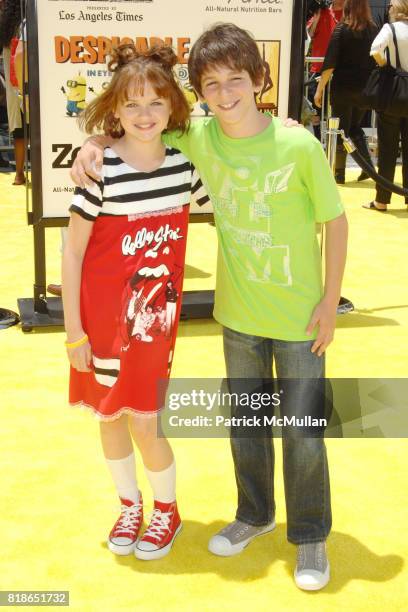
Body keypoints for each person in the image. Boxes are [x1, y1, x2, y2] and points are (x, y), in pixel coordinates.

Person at [70, 23, 348, 591]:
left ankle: (311, 533)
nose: (224, 94)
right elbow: (136, 128)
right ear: (197, 92)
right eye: (211, 84)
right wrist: (92, 144)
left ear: (259, 81)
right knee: (245, 425)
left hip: (299, 317)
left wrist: (329, 302)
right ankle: (254, 514)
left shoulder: (296, 143)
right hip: (237, 315)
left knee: (302, 430)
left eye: (235, 82)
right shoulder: (197, 138)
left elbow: (335, 222)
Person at [62, 43, 208, 561]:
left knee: (145, 420)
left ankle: (166, 510)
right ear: (115, 109)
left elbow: (236, 194)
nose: (144, 115)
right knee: (109, 417)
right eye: (132, 104)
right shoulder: (101, 171)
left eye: (155, 103)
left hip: (154, 322)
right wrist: (73, 332)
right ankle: (130, 505)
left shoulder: (185, 169)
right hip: (99, 323)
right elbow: (73, 252)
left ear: (173, 108)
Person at [314, 0, 378, 183]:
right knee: (355, 128)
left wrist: (320, 90)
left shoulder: (342, 29)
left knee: (341, 130)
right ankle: (368, 168)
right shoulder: (373, 30)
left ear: (348, 7)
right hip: (364, 89)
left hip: (343, 88)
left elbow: (330, 63)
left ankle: (338, 172)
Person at [364, 0, 408, 212]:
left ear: (397, 8)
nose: (388, 8)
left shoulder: (389, 29)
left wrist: (388, 68)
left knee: (388, 149)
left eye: (391, 5)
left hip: (392, 94)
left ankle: (382, 200)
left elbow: (375, 50)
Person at [307, 0, 345, 139]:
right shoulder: (322, 12)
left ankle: (333, 143)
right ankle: (318, 140)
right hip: (318, 69)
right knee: (315, 111)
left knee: (335, 111)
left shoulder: (350, 15)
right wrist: (316, 19)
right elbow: (309, 35)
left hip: (340, 72)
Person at [0, 0, 25, 185]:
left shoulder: (7, 27)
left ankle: (19, 174)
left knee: (19, 130)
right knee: (38, 128)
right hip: (31, 80)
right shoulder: (33, 21)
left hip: (14, 85)